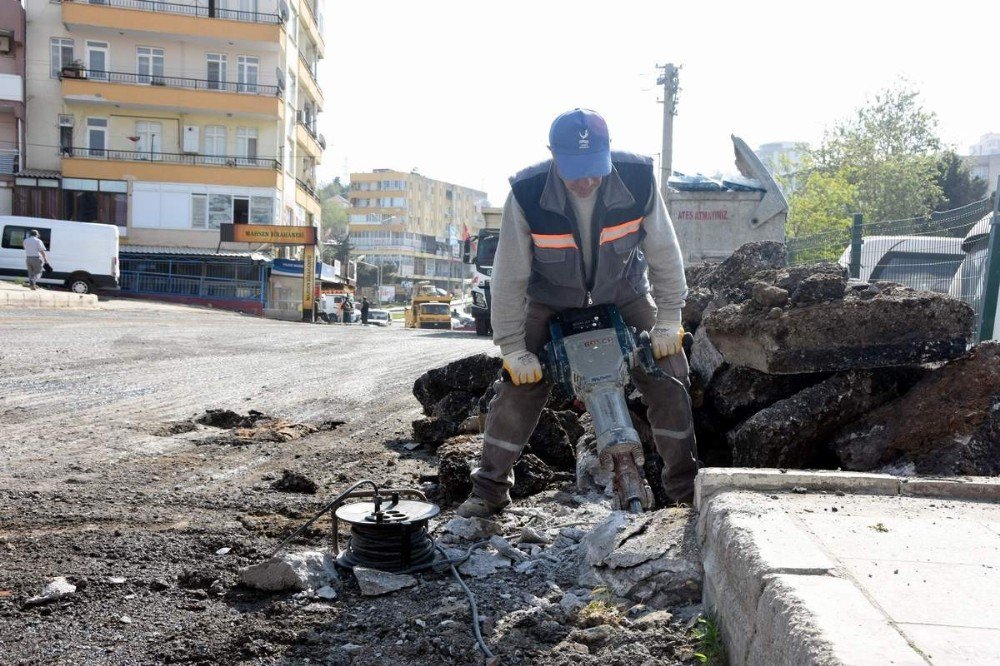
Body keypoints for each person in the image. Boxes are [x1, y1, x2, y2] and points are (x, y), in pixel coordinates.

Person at [457, 108, 697, 518]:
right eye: (576, 171)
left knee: (669, 368)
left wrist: (669, 318)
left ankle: (686, 492)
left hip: (623, 293)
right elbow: (510, 275)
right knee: (518, 385)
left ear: (607, 152)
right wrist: (514, 348)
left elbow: (663, 251)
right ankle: (490, 489)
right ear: (553, 156)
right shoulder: (528, 193)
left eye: (594, 169)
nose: (587, 181)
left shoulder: (637, 179)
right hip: (550, 300)